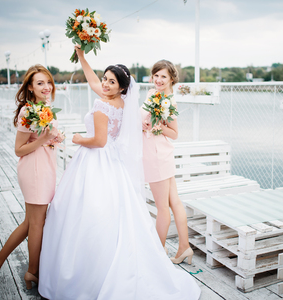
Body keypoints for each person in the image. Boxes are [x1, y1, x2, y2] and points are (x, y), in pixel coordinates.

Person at [38, 46, 201, 299]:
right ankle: (168, 250)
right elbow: (93, 80)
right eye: (105, 79)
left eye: (111, 81)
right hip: (113, 163)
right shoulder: (124, 103)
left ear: (121, 87)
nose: (104, 83)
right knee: (118, 211)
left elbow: (100, 140)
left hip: (97, 159)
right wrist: (82, 58)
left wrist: (80, 138)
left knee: (91, 211)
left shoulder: (103, 105)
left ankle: (94, 270)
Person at [0, 65, 63, 289]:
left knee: (30, 223)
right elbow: (19, 149)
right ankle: (32, 272)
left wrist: (54, 137)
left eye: (48, 82)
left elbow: (43, 137)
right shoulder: (28, 111)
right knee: (36, 224)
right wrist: (45, 139)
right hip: (34, 169)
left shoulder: (45, 107)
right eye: (40, 83)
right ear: (30, 88)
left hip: (45, 166)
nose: (46, 87)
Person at [141, 60, 193, 264]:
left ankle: (157, 253)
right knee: (174, 202)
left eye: (163, 76)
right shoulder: (153, 95)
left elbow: (174, 133)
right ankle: (184, 247)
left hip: (157, 156)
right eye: (156, 75)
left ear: (172, 78)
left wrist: (157, 128)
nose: (158, 80)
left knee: (162, 208)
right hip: (159, 153)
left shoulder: (168, 102)